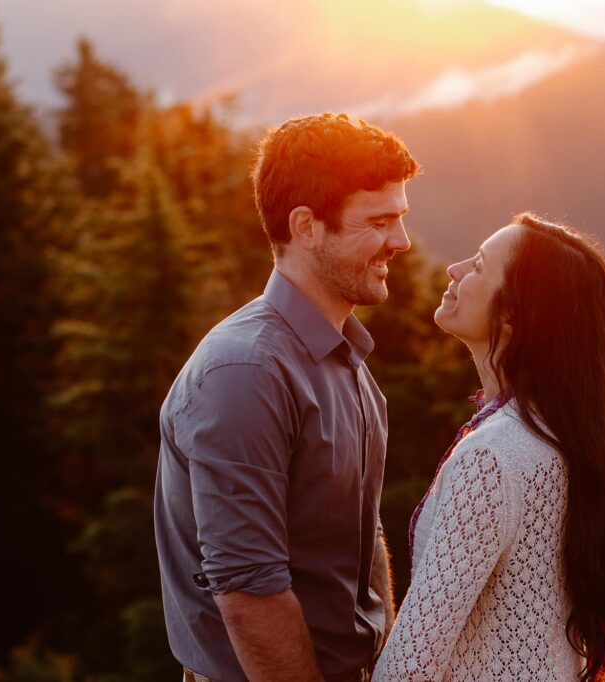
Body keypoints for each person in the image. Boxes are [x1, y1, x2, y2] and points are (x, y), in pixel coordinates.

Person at [154, 112, 419, 682]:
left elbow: (364, 533)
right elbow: (249, 589)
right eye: (379, 220)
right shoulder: (245, 372)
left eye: (400, 218)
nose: (401, 241)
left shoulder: (348, 361)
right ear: (306, 227)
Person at [372, 213, 605, 681]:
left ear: (512, 316)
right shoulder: (565, 440)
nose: (455, 269)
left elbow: (409, 665)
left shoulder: (492, 457)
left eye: (479, 266)